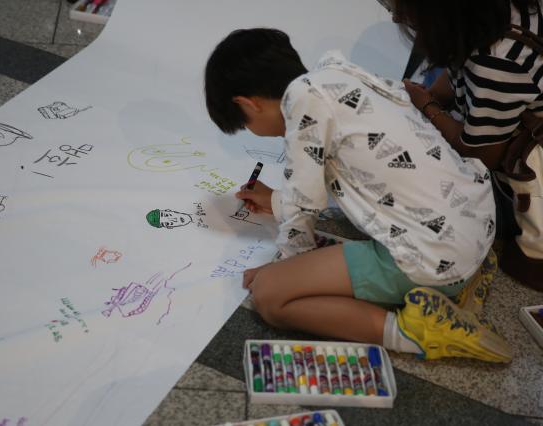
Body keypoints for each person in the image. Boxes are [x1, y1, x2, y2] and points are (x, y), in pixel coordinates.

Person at [204, 28, 512, 362]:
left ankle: (415, 333)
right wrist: (278, 200)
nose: (252, 131)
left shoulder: (300, 101)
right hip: (475, 227)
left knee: (269, 297)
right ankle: (456, 284)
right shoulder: (338, 75)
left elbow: (302, 212)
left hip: (434, 256)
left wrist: (284, 271)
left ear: (246, 103)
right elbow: (362, 177)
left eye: (246, 123)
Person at [389, 0, 543, 289]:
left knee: (410, 183)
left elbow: (480, 155)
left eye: (402, 8)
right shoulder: (495, 14)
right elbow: (462, 60)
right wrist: (431, 97)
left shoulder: (499, 61)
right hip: (496, 118)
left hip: (518, 180)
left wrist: (426, 105)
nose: (397, 15)